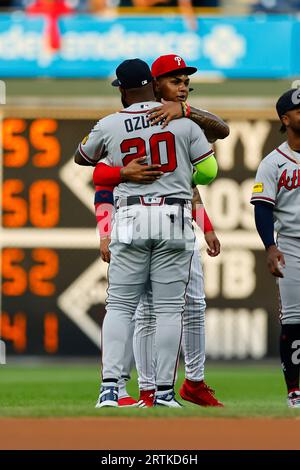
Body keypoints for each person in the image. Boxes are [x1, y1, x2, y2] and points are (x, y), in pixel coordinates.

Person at [75, 58, 218, 407]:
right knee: (171, 310)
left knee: (121, 307)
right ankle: (166, 394)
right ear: (153, 86)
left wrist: (121, 172)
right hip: (174, 214)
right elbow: (209, 170)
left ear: (123, 90)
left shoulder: (110, 124)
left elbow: (83, 159)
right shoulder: (184, 124)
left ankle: (110, 388)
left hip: (131, 215)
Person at [251, 87, 300, 408]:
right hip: (292, 246)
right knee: (294, 320)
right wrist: (270, 247)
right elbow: (262, 207)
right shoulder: (273, 163)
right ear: (286, 118)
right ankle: (295, 391)